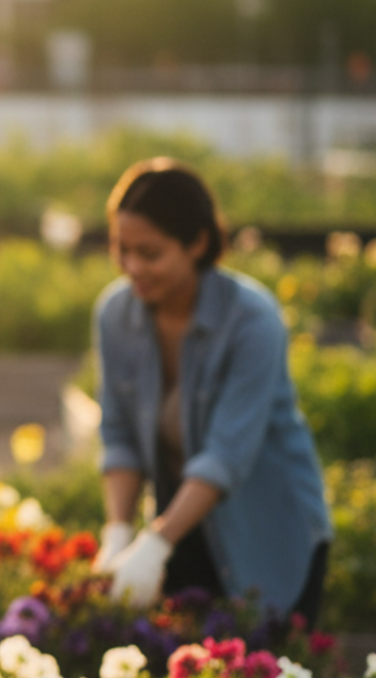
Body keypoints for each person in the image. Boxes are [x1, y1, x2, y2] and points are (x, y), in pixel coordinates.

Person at [93, 159, 331, 620]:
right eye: (123, 249)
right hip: (181, 529)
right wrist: (119, 533)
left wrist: (156, 542)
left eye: (151, 253)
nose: (132, 266)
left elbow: (227, 455)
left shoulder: (251, 320)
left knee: (266, 677)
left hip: (267, 531)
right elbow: (119, 435)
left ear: (197, 243)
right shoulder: (116, 315)